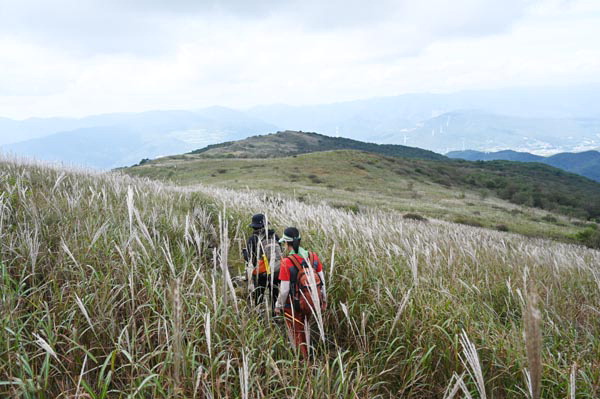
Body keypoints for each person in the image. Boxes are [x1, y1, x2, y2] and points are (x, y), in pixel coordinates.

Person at [275, 227, 327, 359]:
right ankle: (308, 353)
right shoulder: (313, 257)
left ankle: (303, 361)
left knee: (296, 332)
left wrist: (278, 306)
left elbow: (284, 289)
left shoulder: (286, 262)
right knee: (306, 326)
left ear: (287, 243)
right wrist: (323, 300)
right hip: (311, 302)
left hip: (293, 305)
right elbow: (322, 282)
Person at [243, 213, 282, 310]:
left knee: (258, 296)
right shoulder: (275, 237)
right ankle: (275, 317)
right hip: (276, 271)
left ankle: (258, 316)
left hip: (261, 274)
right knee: (275, 297)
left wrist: (244, 253)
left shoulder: (253, 239)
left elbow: (249, 259)